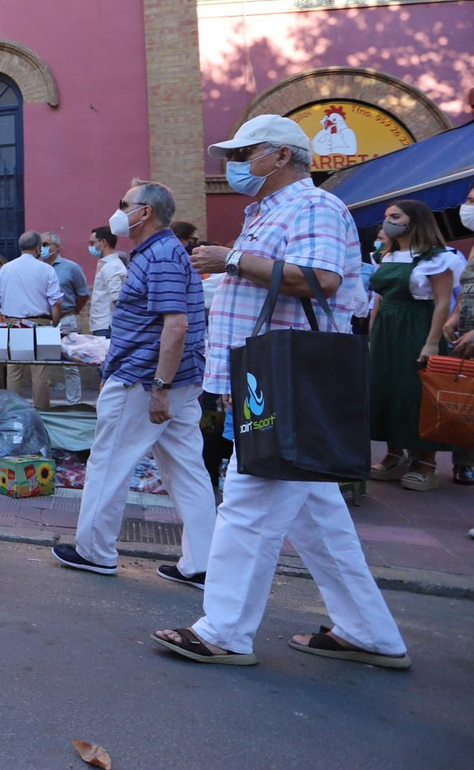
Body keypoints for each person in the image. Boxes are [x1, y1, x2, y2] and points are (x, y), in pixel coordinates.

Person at [154, 114, 408, 669]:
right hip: (269, 379)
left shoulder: (312, 206)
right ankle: (370, 632)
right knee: (320, 520)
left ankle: (223, 631)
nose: (234, 165)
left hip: (285, 382)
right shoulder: (270, 213)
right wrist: (220, 275)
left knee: (248, 505)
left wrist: (232, 260)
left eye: (246, 153)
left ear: (281, 156)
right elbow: (269, 281)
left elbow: (321, 280)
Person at [53, 182, 216, 586]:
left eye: (123, 204)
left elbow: (175, 325)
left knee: (109, 462)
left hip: (142, 381)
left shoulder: (159, 255)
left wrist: (159, 385)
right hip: (169, 379)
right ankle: (205, 563)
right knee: (185, 470)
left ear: (144, 213)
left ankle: (94, 550)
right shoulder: (161, 252)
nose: (117, 210)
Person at [368, 199, 460, 492]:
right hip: (387, 329)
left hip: (417, 327)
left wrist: (432, 342)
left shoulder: (437, 257)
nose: (388, 221)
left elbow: (443, 301)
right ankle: (394, 454)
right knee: (387, 388)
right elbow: (378, 300)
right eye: (386, 217)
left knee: (418, 393)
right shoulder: (384, 255)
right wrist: (372, 335)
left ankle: (426, 462)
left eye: (395, 216)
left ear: (414, 221)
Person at [0, 231, 63, 410]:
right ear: (38, 248)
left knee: (14, 370)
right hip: (40, 323)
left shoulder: (6, 268)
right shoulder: (46, 269)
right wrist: (54, 323)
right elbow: (56, 301)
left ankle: (13, 412)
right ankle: (42, 413)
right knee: (40, 371)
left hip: (14, 323)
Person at [442, 184, 474, 485]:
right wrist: (455, 315)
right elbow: (468, 284)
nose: (468, 207)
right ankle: (464, 462)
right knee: (467, 401)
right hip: (465, 330)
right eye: (468, 199)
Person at [43, 232, 90, 405]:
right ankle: (42, 402)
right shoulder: (39, 268)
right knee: (40, 364)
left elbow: (83, 294)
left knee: (70, 364)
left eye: (46, 244)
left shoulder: (71, 267)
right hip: (45, 321)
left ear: (56, 247)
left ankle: (74, 403)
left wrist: (74, 310)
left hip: (67, 319)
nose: (42, 248)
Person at [87, 226, 126, 338]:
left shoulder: (112, 266)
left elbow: (117, 298)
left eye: (92, 243)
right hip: (101, 325)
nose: (90, 247)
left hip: (107, 325)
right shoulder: (107, 265)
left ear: (103, 242)